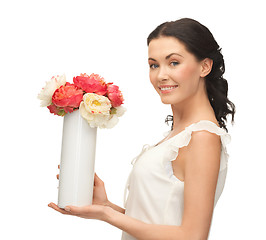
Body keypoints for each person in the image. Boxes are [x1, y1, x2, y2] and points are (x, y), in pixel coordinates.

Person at [48, 18, 236, 240]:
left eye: (174, 62)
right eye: (154, 65)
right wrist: (105, 205)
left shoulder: (202, 137)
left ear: (205, 66)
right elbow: (157, 224)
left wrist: (107, 214)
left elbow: (192, 236)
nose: (161, 75)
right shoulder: (179, 136)